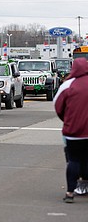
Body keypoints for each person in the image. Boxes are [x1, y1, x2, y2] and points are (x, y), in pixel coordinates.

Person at [53, 57, 88, 203]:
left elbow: (57, 106)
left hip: (73, 131)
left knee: (73, 160)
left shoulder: (67, 85)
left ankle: (69, 192)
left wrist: (67, 119)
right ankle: (85, 184)